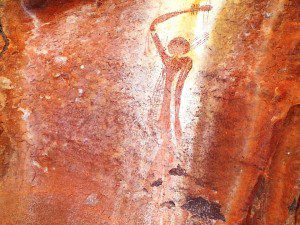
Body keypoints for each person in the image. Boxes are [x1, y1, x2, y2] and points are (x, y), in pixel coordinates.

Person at [150, 4, 212, 142]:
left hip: (173, 99)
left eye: (181, 44)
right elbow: (153, 26)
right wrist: (188, 10)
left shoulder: (186, 61)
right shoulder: (166, 57)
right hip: (165, 98)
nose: (177, 45)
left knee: (170, 120)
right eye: (174, 43)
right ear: (170, 46)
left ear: (185, 48)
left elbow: (180, 85)